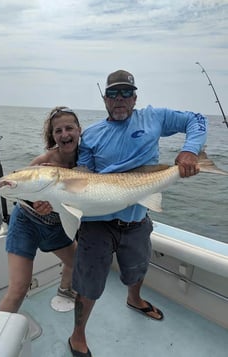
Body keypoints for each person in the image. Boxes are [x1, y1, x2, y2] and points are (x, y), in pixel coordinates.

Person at [68, 70, 208, 357]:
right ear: (104, 99)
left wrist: (191, 151)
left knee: (137, 268)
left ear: (135, 97)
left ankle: (134, 299)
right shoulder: (91, 134)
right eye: (113, 94)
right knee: (88, 283)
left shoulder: (153, 117)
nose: (120, 100)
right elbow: (83, 175)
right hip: (98, 224)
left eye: (126, 93)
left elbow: (197, 119)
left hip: (136, 220)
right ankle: (77, 335)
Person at [0, 106, 82, 313]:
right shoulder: (42, 163)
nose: (65, 134)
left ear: (79, 130)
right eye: (58, 131)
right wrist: (35, 204)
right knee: (18, 288)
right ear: (52, 136)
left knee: (78, 262)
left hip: (55, 224)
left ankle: (65, 290)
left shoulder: (85, 161)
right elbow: (18, 190)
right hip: (26, 222)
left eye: (69, 128)